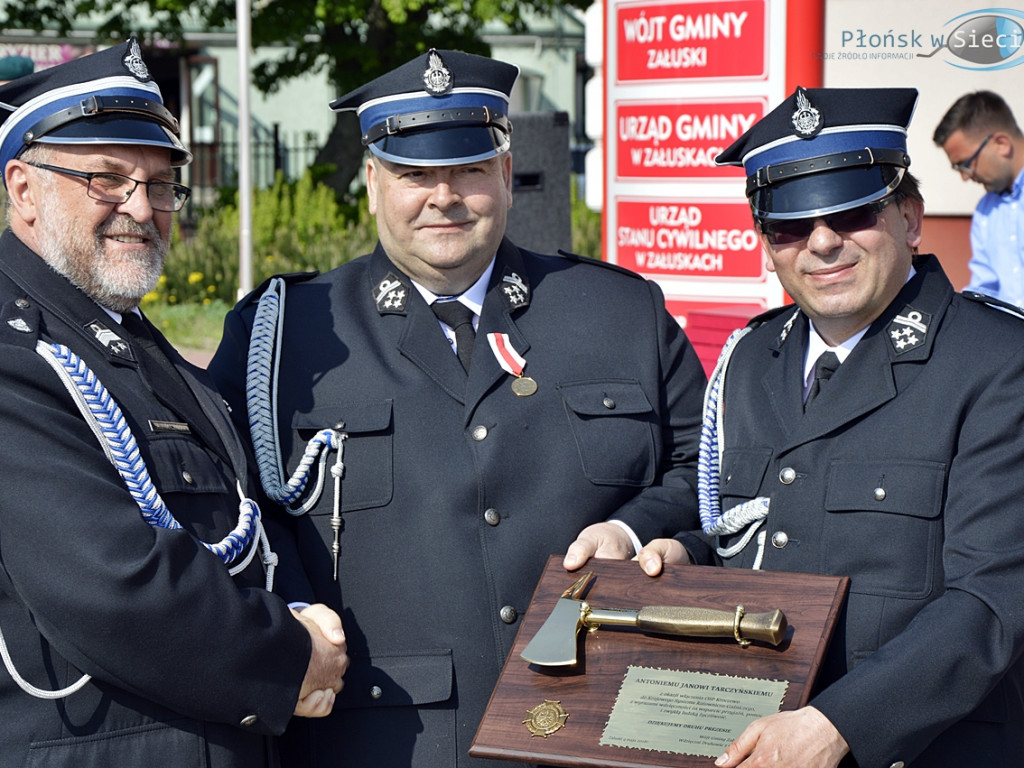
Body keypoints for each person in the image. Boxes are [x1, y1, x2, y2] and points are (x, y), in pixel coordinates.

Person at [207, 47, 706, 767]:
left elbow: (706, 472)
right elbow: (228, 512)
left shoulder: (619, 313)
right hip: (381, 740)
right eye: (413, 174)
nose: (444, 195)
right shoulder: (287, 334)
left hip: (599, 723)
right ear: (372, 184)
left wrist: (633, 531)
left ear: (506, 175)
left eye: (470, 169)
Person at [637, 86, 1024, 768]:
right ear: (767, 245)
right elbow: (757, 529)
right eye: (789, 224)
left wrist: (837, 723)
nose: (821, 241)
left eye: (851, 213)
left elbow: (993, 598)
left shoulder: (996, 362)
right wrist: (689, 560)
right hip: (751, 739)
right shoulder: (752, 358)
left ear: (909, 217)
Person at [0, 38, 348, 766]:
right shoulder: (16, 354)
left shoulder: (128, 338)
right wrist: (290, 658)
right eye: (107, 179)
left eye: (161, 185)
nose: (141, 207)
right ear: (24, 190)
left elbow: (236, 526)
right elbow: (112, 583)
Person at [933, 90, 1024, 307]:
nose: (965, 176)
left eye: (966, 163)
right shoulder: (985, 211)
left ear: (1001, 143)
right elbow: (984, 289)